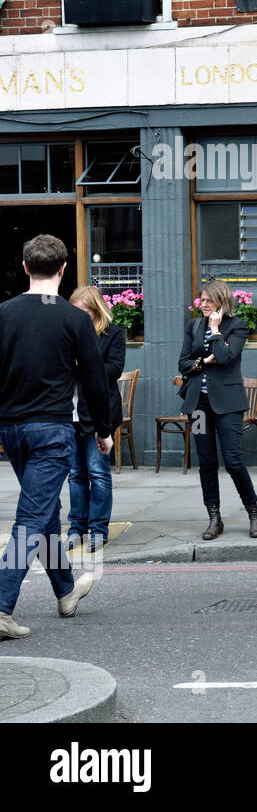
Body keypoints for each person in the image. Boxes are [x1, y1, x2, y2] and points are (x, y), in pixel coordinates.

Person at [0, 235, 109, 640]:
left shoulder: (4, 313)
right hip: (52, 431)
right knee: (31, 517)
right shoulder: (75, 319)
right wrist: (104, 430)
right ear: (64, 270)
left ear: (26, 267)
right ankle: (1, 606)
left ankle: (65, 592)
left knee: (44, 513)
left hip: (11, 430)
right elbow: (96, 381)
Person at [178, 278, 257, 540]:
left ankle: (253, 514)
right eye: (201, 300)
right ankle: (214, 519)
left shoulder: (237, 326)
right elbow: (183, 364)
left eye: (208, 301)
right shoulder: (193, 326)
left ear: (221, 301)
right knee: (205, 461)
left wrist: (216, 330)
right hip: (198, 406)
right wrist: (205, 361)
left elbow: (227, 357)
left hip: (228, 405)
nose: (202, 305)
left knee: (233, 460)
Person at [66, 286, 126, 553]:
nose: (77, 316)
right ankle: (76, 528)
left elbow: (114, 369)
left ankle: (98, 530)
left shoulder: (113, 333)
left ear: (95, 309)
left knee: (98, 473)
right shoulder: (66, 334)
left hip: (99, 413)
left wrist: (84, 365)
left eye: (82, 311)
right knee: (76, 474)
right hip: (69, 412)